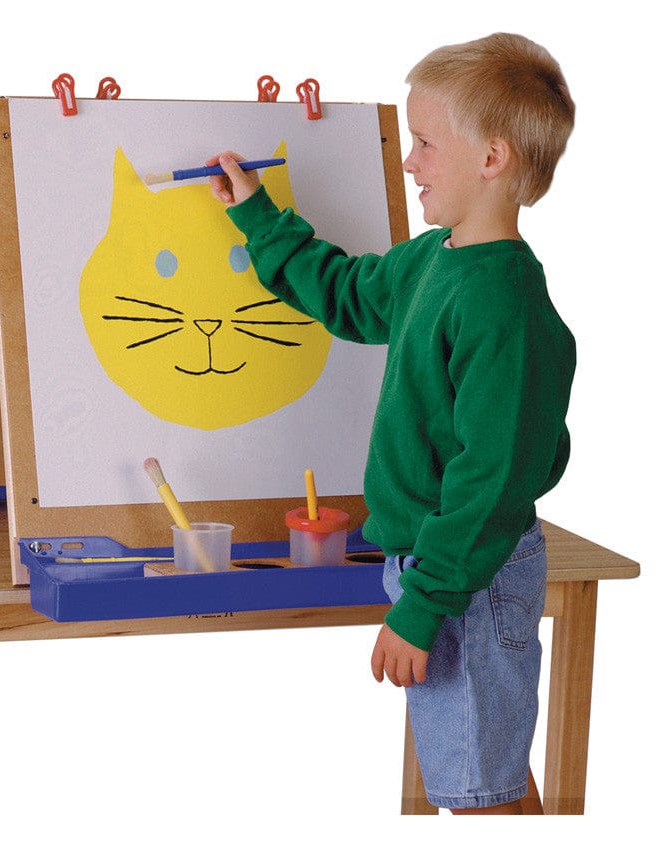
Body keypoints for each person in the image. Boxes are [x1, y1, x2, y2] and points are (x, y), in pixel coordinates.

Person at [209, 32, 575, 814]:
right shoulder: (432, 260)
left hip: (469, 577)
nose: (409, 161)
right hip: (444, 567)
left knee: (480, 795)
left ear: (493, 158)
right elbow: (346, 293)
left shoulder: (504, 306)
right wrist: (258, 217)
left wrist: (421, 605)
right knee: (487, 782)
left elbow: (490, 484)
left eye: (425, 143)